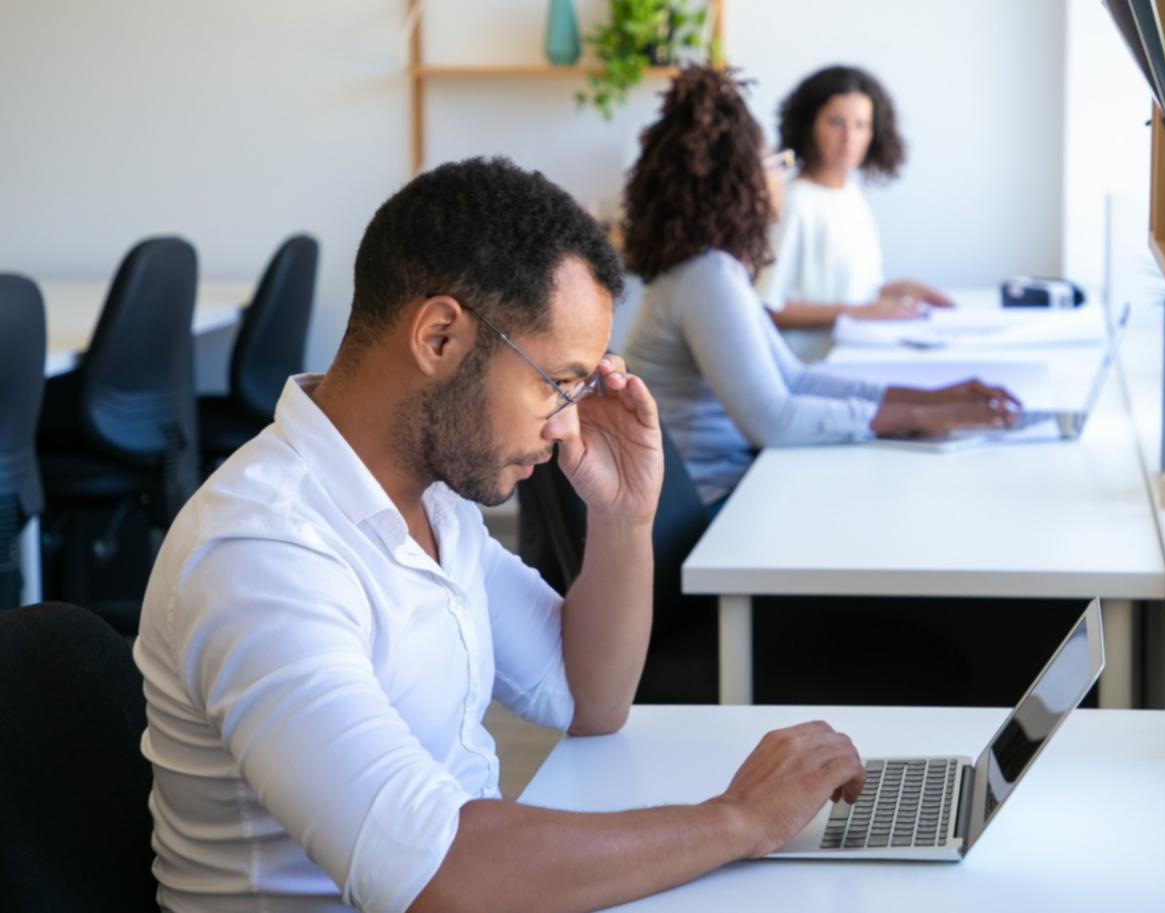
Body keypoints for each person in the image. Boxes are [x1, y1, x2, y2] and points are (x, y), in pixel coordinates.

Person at [133, 157, 869, 913]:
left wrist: (622, 517)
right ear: (441, 336)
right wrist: (738, 819)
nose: (564, 425)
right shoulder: (261, 554)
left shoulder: (433, 498)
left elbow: (591, 697)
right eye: (556, 383)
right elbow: (443, 874)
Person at [621, 66, 1019, 506]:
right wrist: (921, 417)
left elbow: (796, 381)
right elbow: (774, 419)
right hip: (708, 509)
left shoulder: (715, 270)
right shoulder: (705, 278)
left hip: (731, 486)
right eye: (776, 164)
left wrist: (935, 399)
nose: (780, 178)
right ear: (738, 180)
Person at [759, 65, 953, 360]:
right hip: (808, 370)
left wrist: (897, 291)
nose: (849, 138)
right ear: (809, 124)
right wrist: (862, 313)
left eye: (861, 125)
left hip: (852, 360)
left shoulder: (851, 196)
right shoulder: (794, 202)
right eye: (836, 123)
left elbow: (849, 291)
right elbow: (766, 308)